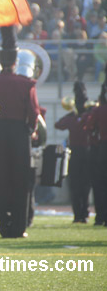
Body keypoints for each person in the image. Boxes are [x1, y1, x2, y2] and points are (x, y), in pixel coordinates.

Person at [0, 26, 40, 239]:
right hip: (20, 134)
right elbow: (34, 113)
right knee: (20, 180)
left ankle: (4, 225)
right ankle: (18, 227)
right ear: (16, 62)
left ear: (1, 61)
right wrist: (31, 130)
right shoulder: (26, 83)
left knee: (1, 178)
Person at [55, 82, 91, 223]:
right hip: (87, 152)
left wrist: (71, 114)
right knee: (86, 185)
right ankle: (85, 212)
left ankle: (78, 215)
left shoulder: (72, 118)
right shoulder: (89, 115)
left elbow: (59, 124)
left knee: (75, 185)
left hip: (75, 152)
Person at [86, 81, 107, 227]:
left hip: (102, 148)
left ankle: (101, 216)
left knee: (100, 185)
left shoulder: (99, 111)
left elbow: (89, 128)